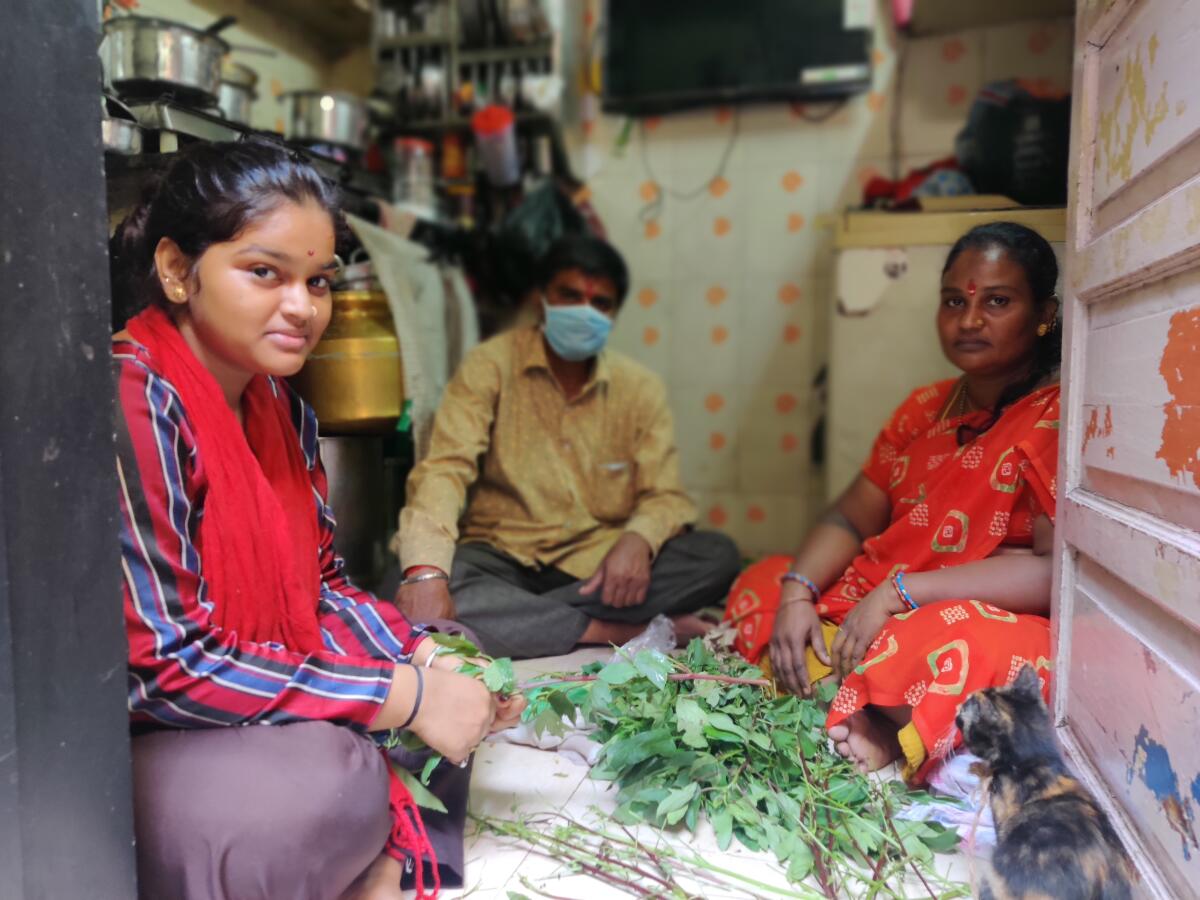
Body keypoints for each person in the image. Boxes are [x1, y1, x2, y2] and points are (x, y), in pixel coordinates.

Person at [110, 141, 523, 900]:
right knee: (314, 787)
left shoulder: (279, 405)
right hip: (145, 731)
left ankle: (378, 847)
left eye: (319, 282)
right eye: (264, 273)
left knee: (454, 649)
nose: (302, 307)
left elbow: (323, 588)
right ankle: (379, 842)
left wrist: (427, 668)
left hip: (255, 684)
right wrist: (398, 698)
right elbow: (161, 668)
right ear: (177, 269)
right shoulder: (137, 398)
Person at [724, 222, 1061, 783]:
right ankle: (861, 702)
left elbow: (1052, 575)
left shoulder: (1056, 415)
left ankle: (867, 715)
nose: (970, 319)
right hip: (873, 602)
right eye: (954, 300)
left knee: (966, 645)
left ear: (1044, 313)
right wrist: (795, 594)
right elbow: (848, 517)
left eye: (997, 301)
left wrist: (902, 593)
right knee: (763, 578)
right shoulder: (924, 408)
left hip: (966, 613)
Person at [393, 235, 740, 659]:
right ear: (541, 300)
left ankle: (523, 623)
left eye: (601, 304)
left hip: (597, 563)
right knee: (417, 578)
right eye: (570, 296)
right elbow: (445, 468)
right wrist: (427, 575)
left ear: (614, 315)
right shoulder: (491, 365)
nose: (584, 312)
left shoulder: (639, 389)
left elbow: (665, 496)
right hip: (502, 559)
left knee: (717, 556)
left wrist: (638, 541)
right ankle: (616, 628)